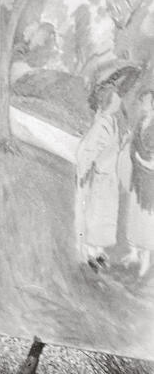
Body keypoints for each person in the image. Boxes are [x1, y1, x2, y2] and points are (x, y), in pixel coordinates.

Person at [74, 77, 124, 271]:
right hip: (98, 176)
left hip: (109, 176)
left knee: (104, 215)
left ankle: (98, 251)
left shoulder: (111, 121)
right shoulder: (102, 123)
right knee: (93, 214)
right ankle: (89, 254)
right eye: (116, 98)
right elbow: (87, 151)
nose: (119, 101)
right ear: (109, 102)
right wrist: (85, 170)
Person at [122, 87, 154, 279]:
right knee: (134, 213)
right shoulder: (141, 121)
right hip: (138, 176)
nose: (142, 104)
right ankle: (134, 253)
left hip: (150, 180)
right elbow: (134, 144)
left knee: (147, 218)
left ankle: (146, 259)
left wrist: (144, 161)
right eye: (142, 100)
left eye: (146, 101)